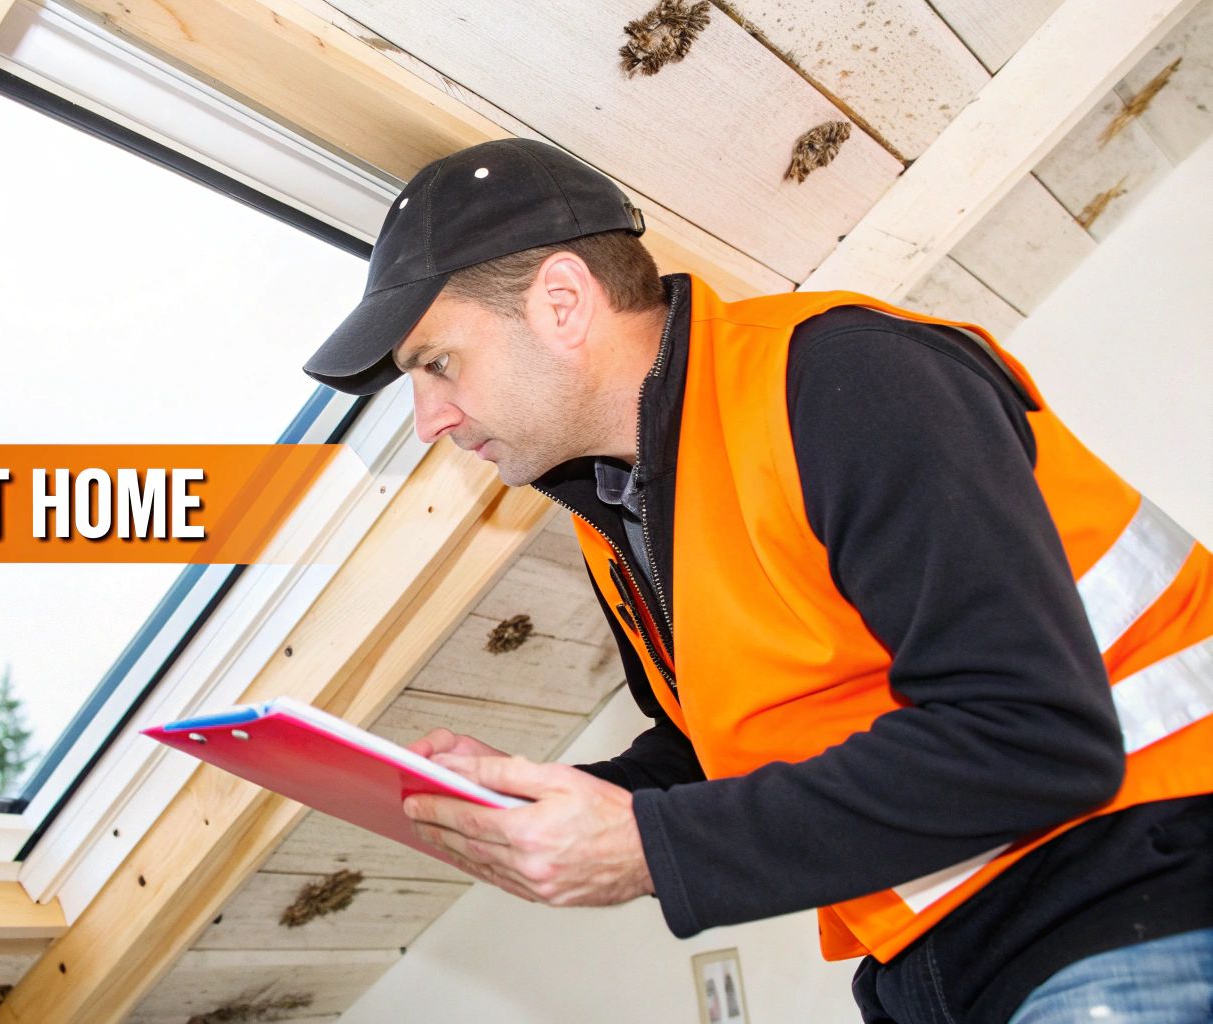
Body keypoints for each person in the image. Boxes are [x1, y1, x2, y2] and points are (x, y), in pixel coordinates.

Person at [302, 138, 1213, 1024]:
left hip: (1135, 887)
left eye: (436, 363)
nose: (428, 418)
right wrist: (543, 799)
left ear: (564, 302)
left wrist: (649, 851)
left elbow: (1036, 737)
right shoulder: (618, 504)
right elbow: (729, 743)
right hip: (944, 954)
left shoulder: (844, 379)